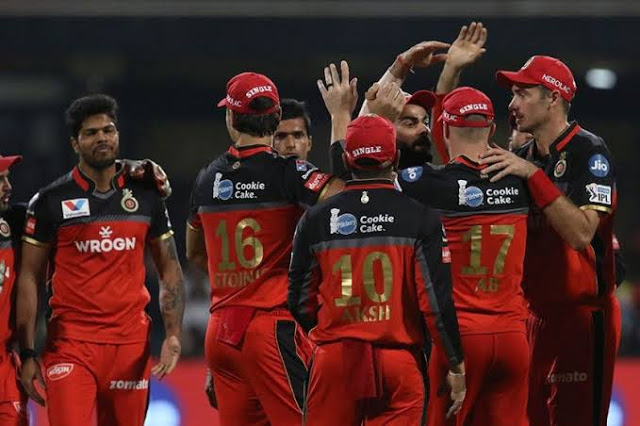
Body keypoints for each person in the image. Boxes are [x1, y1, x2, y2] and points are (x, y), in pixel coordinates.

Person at [16, 94, 185, 426]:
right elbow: (29, 278)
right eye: (91, 133)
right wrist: (28, 352)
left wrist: (173, 334)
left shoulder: (146, 195)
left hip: (130, 346)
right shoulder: (50, 201)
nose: (102, 138)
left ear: (117, 134)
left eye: (108, 130)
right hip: (70, 345)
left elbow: (169, 267)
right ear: (75, 143)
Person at [186, 71, 343, 426]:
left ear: (230, 117)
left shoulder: (207, 178)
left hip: (221, 332)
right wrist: (342, 117)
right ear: (276, 118)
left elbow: (194, 252)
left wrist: (239, 280)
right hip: (270, 327)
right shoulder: (288, 172)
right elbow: (346, 200)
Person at [288, 114, 465, 425]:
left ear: (347, 160)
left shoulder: (315, 219)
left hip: (335, 358)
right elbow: (435, 303)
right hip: (398, 360)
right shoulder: (421, 218)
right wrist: (456, 364)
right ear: (395, 158)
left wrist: (334, 328)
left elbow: (299, 300)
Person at [479, 55, 620, 426]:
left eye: (522, 93)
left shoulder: (589, 152)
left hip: (580, 319)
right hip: (531, 318)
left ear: (553, 98)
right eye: (513, 94)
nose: (512, 104)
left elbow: (582, 233)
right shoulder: (520, 159)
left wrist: (533, 177)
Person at [402, 88, 530, 426]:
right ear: (492, 129)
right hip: (513, 337)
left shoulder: (429, 184)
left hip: (460, 339)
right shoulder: (523, 180)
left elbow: (362, 177)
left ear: (444, 129)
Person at [0, 154, 28, 426]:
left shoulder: (15, 222)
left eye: (6, 179)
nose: (7, 186)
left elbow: (66, 204)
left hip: (5, 365)